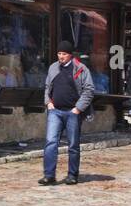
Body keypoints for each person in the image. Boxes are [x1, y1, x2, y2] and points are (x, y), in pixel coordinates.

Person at [39, 40, 94, 186]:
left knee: (73, 145)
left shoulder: (81, 69)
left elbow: (89, 90)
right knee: (51, 142)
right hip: (55, 111)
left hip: (72, 112)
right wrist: (48, 103)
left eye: (64, 54)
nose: (61, 56)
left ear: (70, 55)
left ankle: (72, 175)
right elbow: (47, 87)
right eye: (59, 53)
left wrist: (78, 109)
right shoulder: (53, 68)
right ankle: (49, 175)